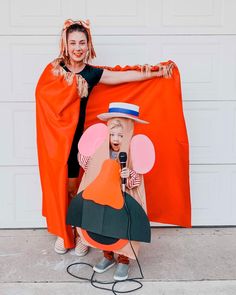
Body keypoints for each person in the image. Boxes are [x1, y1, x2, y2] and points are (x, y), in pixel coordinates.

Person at [36, 19, 176, 255]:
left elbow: (123, 78)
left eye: (82, 42)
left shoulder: (92, 74)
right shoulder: (54, 71)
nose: (78, 47)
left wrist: (157, 72)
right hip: (54, 142)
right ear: (65, 45)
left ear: (88, 45)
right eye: (73, 43)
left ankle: (81, 233)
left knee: (80, 187)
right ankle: (63, 232)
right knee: (57, 187)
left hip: (79, 140)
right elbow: (43, 100)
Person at [72, 102, 151, 281]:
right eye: (112, 134)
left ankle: (123, 260)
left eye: (121, 135)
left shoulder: (132, 152)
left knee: (122, 230)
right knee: (103, 227)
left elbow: (137, 182)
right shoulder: (101, 151)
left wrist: (129, 174)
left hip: (122, 199)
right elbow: (89, 170)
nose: (116, 139)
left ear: (129, 134)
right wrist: (86, 157)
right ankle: (107, 256)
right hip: (103, 198)